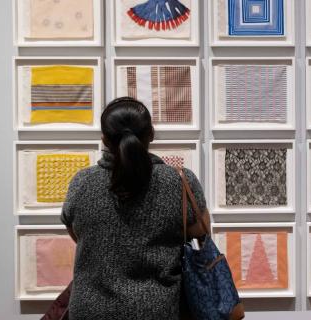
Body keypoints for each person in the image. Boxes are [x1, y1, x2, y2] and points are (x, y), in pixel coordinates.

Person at [61, 97, 209, 319]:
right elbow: (202, 231)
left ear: (104, 138)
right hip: (157, 311)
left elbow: (77, 234)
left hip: (90, 311)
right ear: (151, 134)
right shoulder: (180, 181)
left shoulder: (82, 182)